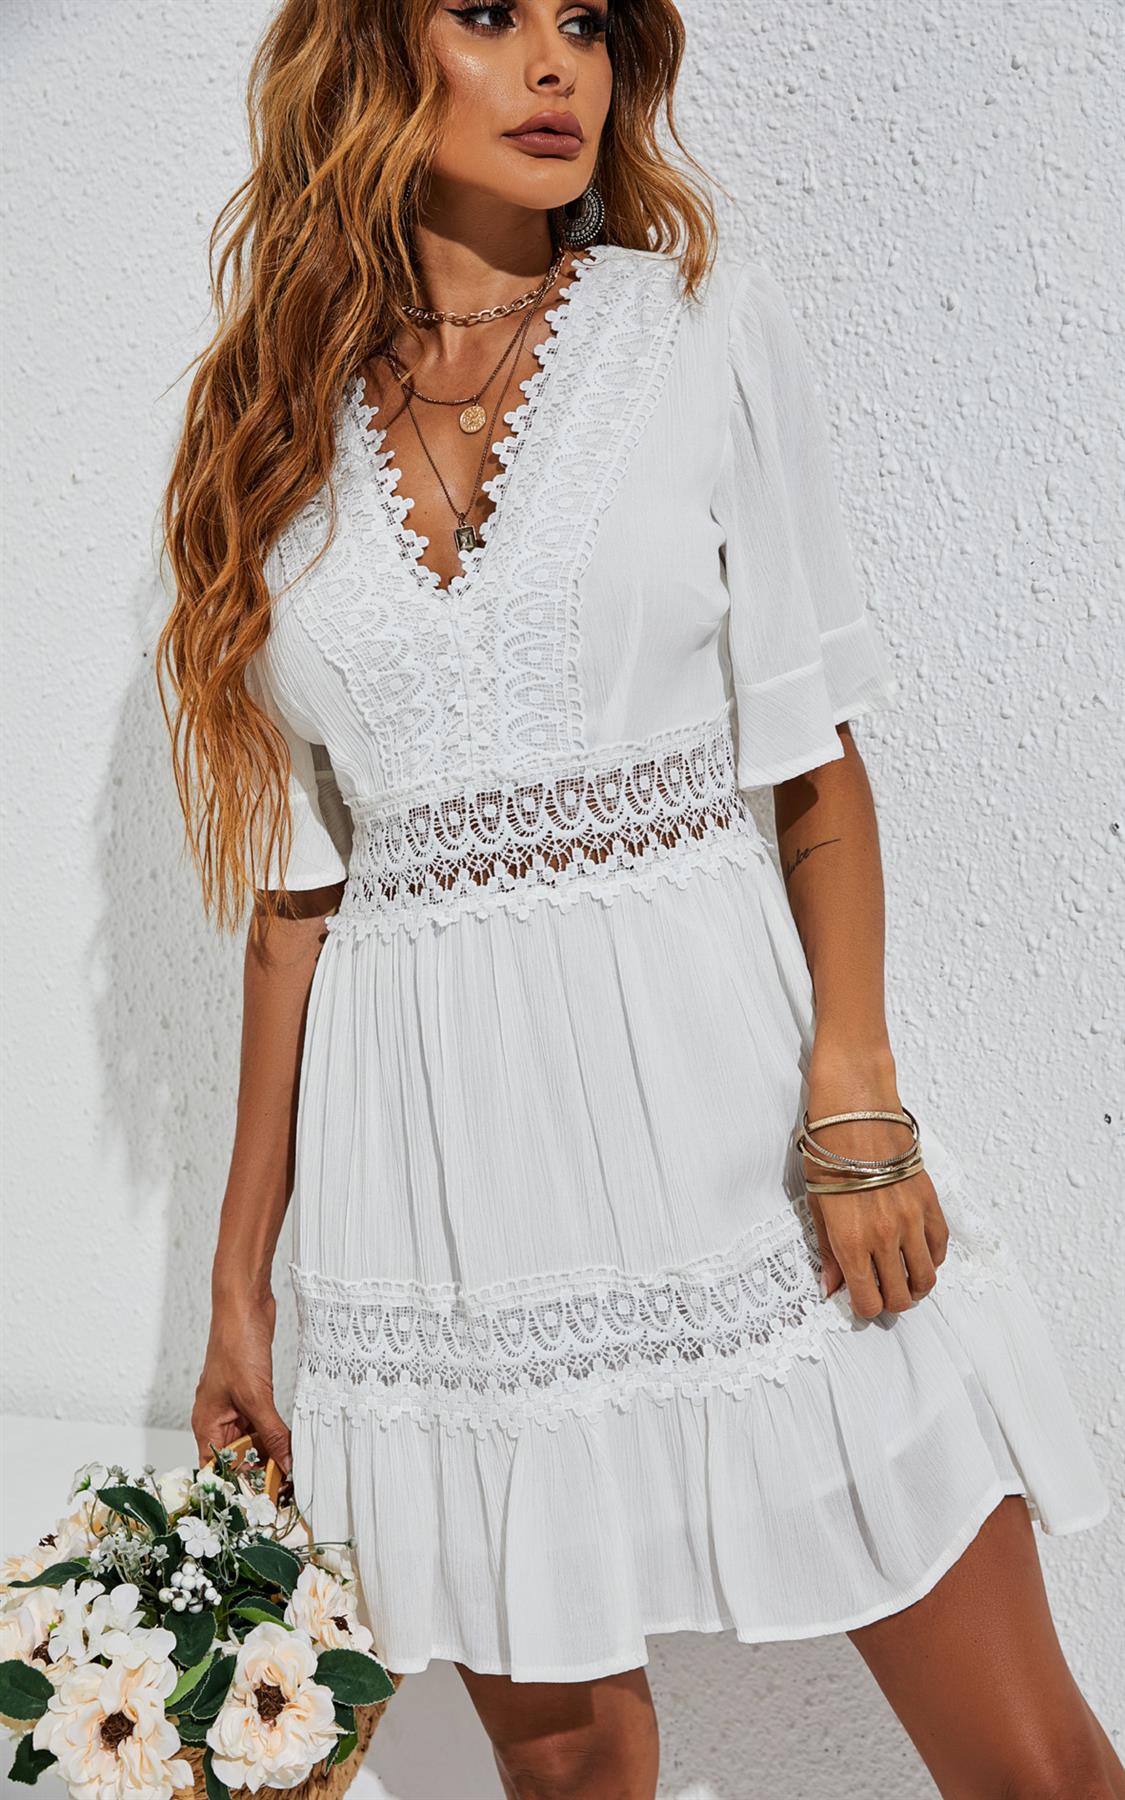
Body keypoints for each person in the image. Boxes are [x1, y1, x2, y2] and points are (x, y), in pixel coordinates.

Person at [157, 2, 1118, 1795]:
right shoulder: (263, 420)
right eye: (490, 15)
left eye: (587, 23)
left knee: (1029, 1769)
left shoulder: (696, 329)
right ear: (369, 60)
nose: (557, 67)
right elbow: (295, 902)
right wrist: (240, 1287)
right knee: (572, 1775)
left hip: (729, 1127)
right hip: (433, 1194)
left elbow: (810, 758)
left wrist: (856, 1095)